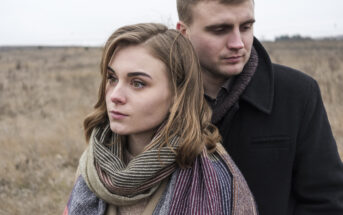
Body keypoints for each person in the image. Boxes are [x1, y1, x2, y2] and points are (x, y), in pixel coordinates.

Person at [63, 23, 258, 215]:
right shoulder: (93, 165)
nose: (115, 95)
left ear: (177, 95)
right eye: (112, 78)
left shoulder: (217, 181)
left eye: (138, 83)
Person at [176, 0, 343, 214]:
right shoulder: (155, 98)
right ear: (184, 32)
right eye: (220, 30)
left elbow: (326, 201)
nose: (238, 43)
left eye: (246, 27)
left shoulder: (297, 94)